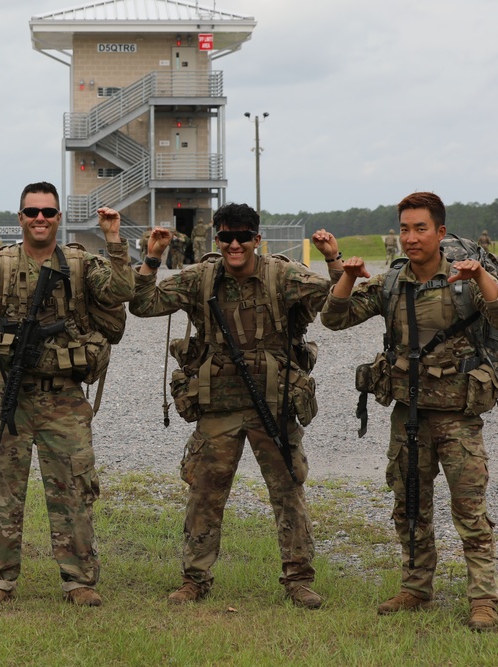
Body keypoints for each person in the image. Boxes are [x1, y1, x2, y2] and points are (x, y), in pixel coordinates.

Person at [320, 192, 498, 631]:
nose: (411, 238)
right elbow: (333, 319)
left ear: (440, 232)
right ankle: (416, 586)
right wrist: (346, 276)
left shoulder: (468, 278)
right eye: (405, 229)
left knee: (469, 510)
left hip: (458, 417)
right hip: (409, 414)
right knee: (409, 505)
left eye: (421, 229)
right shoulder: (392, 282)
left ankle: (483, 599)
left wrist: (483, 277)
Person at [129, 202, 343, 608]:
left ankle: (298, 579)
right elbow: (143, 305)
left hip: (273, 403)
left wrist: (335, 261)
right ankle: (195, 579)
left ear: (256, 240)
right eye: (226, 237)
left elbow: (337, 301)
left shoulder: (282, 275)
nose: (234, 244)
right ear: (218, 239)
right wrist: (153, 258)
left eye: (243, 237)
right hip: (219, 404)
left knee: (288, 493)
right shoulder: (201, 278)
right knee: (205, 494)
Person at [0, 181, 134, 606]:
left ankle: (79, 581)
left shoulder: (81, 264)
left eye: (48, 211)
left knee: (73, 491)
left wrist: (114, 240)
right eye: (31, 212)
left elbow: (122, 292)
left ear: (59, 218)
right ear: (20, 217)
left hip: (64, 397)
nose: (39, 218)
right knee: (4, 489)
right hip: (13, 393)